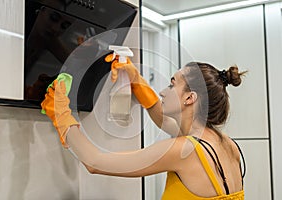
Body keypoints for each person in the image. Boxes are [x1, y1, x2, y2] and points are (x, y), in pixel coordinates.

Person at [41, 54, 247, 200]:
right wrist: (136, 81)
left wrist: (62, 114)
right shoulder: (227, 145)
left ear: (189, 98)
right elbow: (163, 121)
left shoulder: (182, 150)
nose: (163, 91)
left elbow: (95, 162)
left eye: (172, 84)